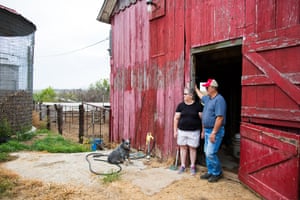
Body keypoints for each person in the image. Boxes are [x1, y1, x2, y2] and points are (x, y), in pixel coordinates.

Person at [195, 78, 227, 182]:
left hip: (215, 131)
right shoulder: (208, 99)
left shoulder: (219, 100)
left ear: (213, 88)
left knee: (210, 153)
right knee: (206, 152)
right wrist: (195, 88)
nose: (206, 89)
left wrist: (214, 132)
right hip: (208, 130)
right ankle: (210, 172)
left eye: (207, 87)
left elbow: (220, 118)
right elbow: (201, 96)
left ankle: (217, 172)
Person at [173, 87, 202, 176]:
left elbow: (202, 119)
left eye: (185, 94)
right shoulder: (181, 106)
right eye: (184, 94)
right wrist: (175, 130)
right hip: (182, 131)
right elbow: (176, 118)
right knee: (183, 148)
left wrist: (203, 131)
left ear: (191, 95)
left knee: (193, 148)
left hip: (194, 131)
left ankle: (192, 166)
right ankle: (183, 165)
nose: (184, 96)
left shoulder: (198, 106)